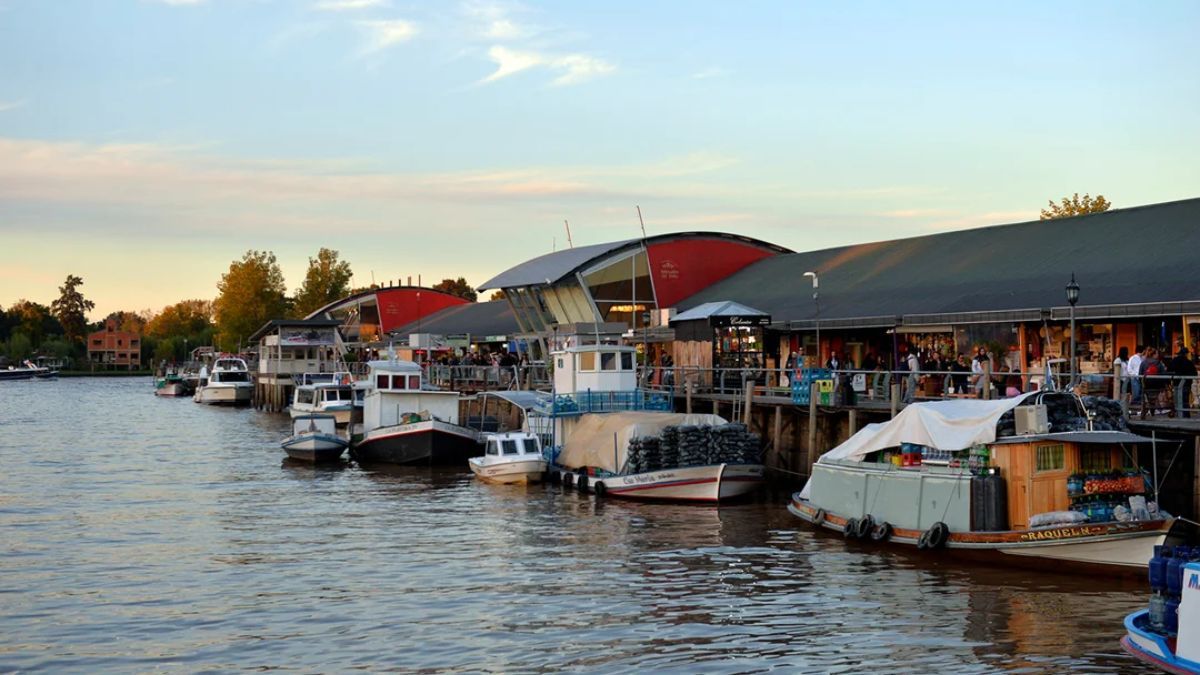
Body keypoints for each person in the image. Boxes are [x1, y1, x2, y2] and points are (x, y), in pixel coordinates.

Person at [1170, 347, 1196, 418]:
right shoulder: (1189, 362)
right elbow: (1194, 374)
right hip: (1186, 384)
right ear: (1186, 354)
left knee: (1177, 400)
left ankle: (1178, 414)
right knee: (1185, 401)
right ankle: (1186, 415)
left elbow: (1169, 371)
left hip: (1176, 383)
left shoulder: (1174, 361)